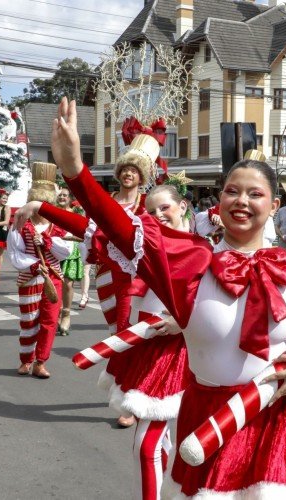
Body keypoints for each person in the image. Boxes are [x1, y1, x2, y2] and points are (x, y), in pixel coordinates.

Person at [50, 97, 286, 498]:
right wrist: (75, 170)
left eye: (255, 194)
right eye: (232, 191)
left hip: (285, 423)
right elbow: (119, 227)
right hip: (211, 424)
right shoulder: (191, 263)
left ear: (275, 205)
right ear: (219, 200)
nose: (242, 201)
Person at [19, 180, 191, 500]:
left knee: (192, 449)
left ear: (183, 207)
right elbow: (92, 224)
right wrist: (44, 207)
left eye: (165, 208)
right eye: (151, 212)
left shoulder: (203, 247)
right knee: (151, 445)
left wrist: (185, 319)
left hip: (197, 361)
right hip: (156, 360)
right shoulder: (144, 246)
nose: (158, 215)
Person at [6, 164, 73, 379]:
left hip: (53, 276)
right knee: (29, 320)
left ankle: (41, 361)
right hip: (29, 277)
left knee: (50, 320)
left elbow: (66, 252)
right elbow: (14, 252)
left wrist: (47, 242)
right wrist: (34, 264)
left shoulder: (59, 224)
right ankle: (26, 359)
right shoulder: (21, 223)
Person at [55, 187, 84, 336]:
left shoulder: (77, 213)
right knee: (55, 284)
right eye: (59, 195)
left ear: (70, 198)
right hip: (53, 251)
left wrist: (71, 238)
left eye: (65, 195)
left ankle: (66, 314)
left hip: (71, 251)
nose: (61, 197)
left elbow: (85, 234)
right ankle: (57, 313)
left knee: (67, 283)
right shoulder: (52, 213)